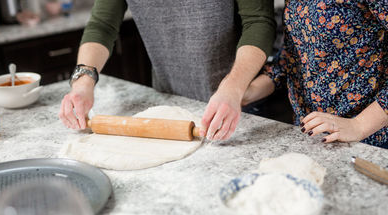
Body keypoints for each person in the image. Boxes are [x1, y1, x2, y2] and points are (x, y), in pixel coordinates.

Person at [59, 0, 276, 141]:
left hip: (240, 103)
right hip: (170, 100)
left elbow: (258, 22)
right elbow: (102, 25)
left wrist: (233, 88)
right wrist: (83, 81)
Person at [242, 0, 388, 148]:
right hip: (310, 135)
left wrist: (359, 125)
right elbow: (293, 58)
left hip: (370, 141)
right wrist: (244, 93)